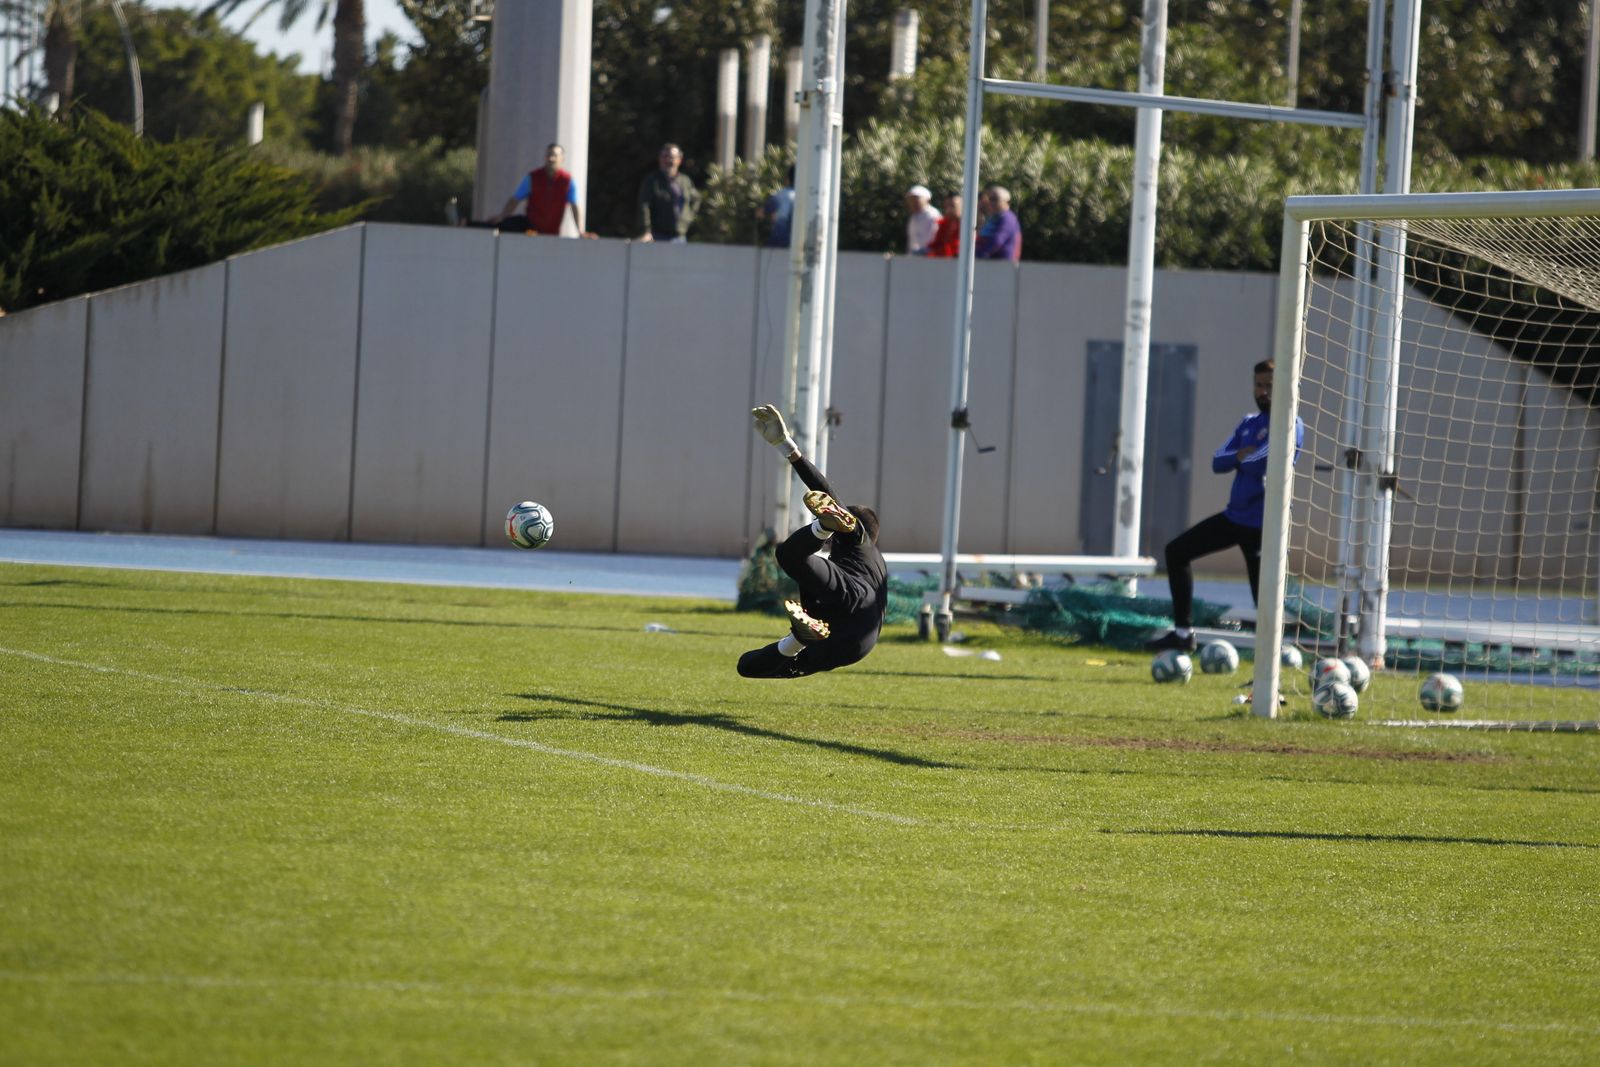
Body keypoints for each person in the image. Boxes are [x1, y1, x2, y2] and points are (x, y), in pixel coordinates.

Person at [1145, 360, 1305, 652]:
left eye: (1270, 385)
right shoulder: (1248, 423)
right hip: (1235, 518)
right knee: (1176, 551)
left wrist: (1242, 456)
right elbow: (1218, 460)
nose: (1263, 391)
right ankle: (1183, 634)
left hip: (1263, 524)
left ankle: (1275, 655)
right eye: (1259, 385)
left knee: (1263, 594)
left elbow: (1260, 463)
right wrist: (1241, 456)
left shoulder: (1290, 424)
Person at [738, 404, 888, 679]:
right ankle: (800, 636)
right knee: (748, 667)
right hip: (854, 642)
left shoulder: (860, 542)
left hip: (852, 598)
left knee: (788, 555)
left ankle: (821, 527)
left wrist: (788, 447)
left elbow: (826, 492)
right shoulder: (874, 560)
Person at [492, 142, 583, 236]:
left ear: (562, 159)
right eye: (548, 155)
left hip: (552, 233)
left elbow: (574, 205)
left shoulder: (567, 180)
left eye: (555, 155)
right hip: (531, 230)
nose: (551, 158)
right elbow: (515, 200)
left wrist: (580, 231)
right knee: (509, 224)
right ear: (544, 157)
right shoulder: (533, 177)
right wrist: (502, 216)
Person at [638, 143, 699, 243]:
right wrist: (646, 230)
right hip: (657, 236)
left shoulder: (685, 181)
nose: (668, 160)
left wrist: (688, 218)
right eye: (664, 156)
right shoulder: (653, 180)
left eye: (671, 157)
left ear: (679, 159)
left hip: (679, 237)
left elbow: (696, 199)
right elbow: (644, 206)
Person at [973, 185, 1022, 262]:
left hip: (1000, 266)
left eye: (994, 199)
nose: (990, 202)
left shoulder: (1007, 218)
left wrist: (979, 255)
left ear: (1007, 202)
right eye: (989, 199)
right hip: (987, 264)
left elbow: (997, 240)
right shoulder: (992, 218)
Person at [758, 166, 796, 248]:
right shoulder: (808, 198)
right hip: (798, 245)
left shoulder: (781, 195)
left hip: (778, 242)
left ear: (788, 179)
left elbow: (760, 214)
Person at [905, 184, 942, 256]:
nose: (912, 202)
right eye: (910, 199)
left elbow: (933, 240)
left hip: (928, 258)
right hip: (914, 258)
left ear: (927, 200)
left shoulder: (933, 215)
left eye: (916, 198)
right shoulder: (913, 217)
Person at [926, 192, 962, 258]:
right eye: (946, 206)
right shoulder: (944, 224)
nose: (949, 209)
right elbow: (937, 243)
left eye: (952, 206)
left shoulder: (966, 226)